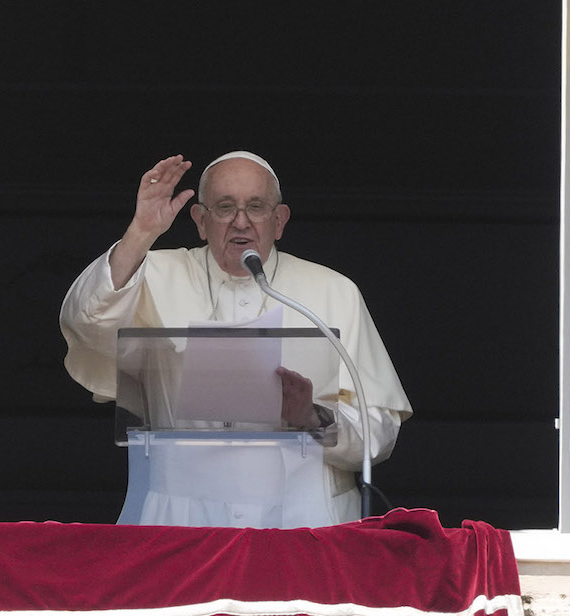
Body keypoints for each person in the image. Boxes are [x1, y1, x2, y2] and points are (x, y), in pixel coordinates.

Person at [60, 151, 411, 528]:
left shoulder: (333, 291)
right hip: (180, 515)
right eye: (225, 207)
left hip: (304, 515)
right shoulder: (151, 274)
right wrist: (141, 233)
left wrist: (312, 418)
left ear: (279, 221)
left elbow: (380, 430)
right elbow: (86, 323)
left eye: (256, 207)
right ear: (200, 220)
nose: (241, 221)